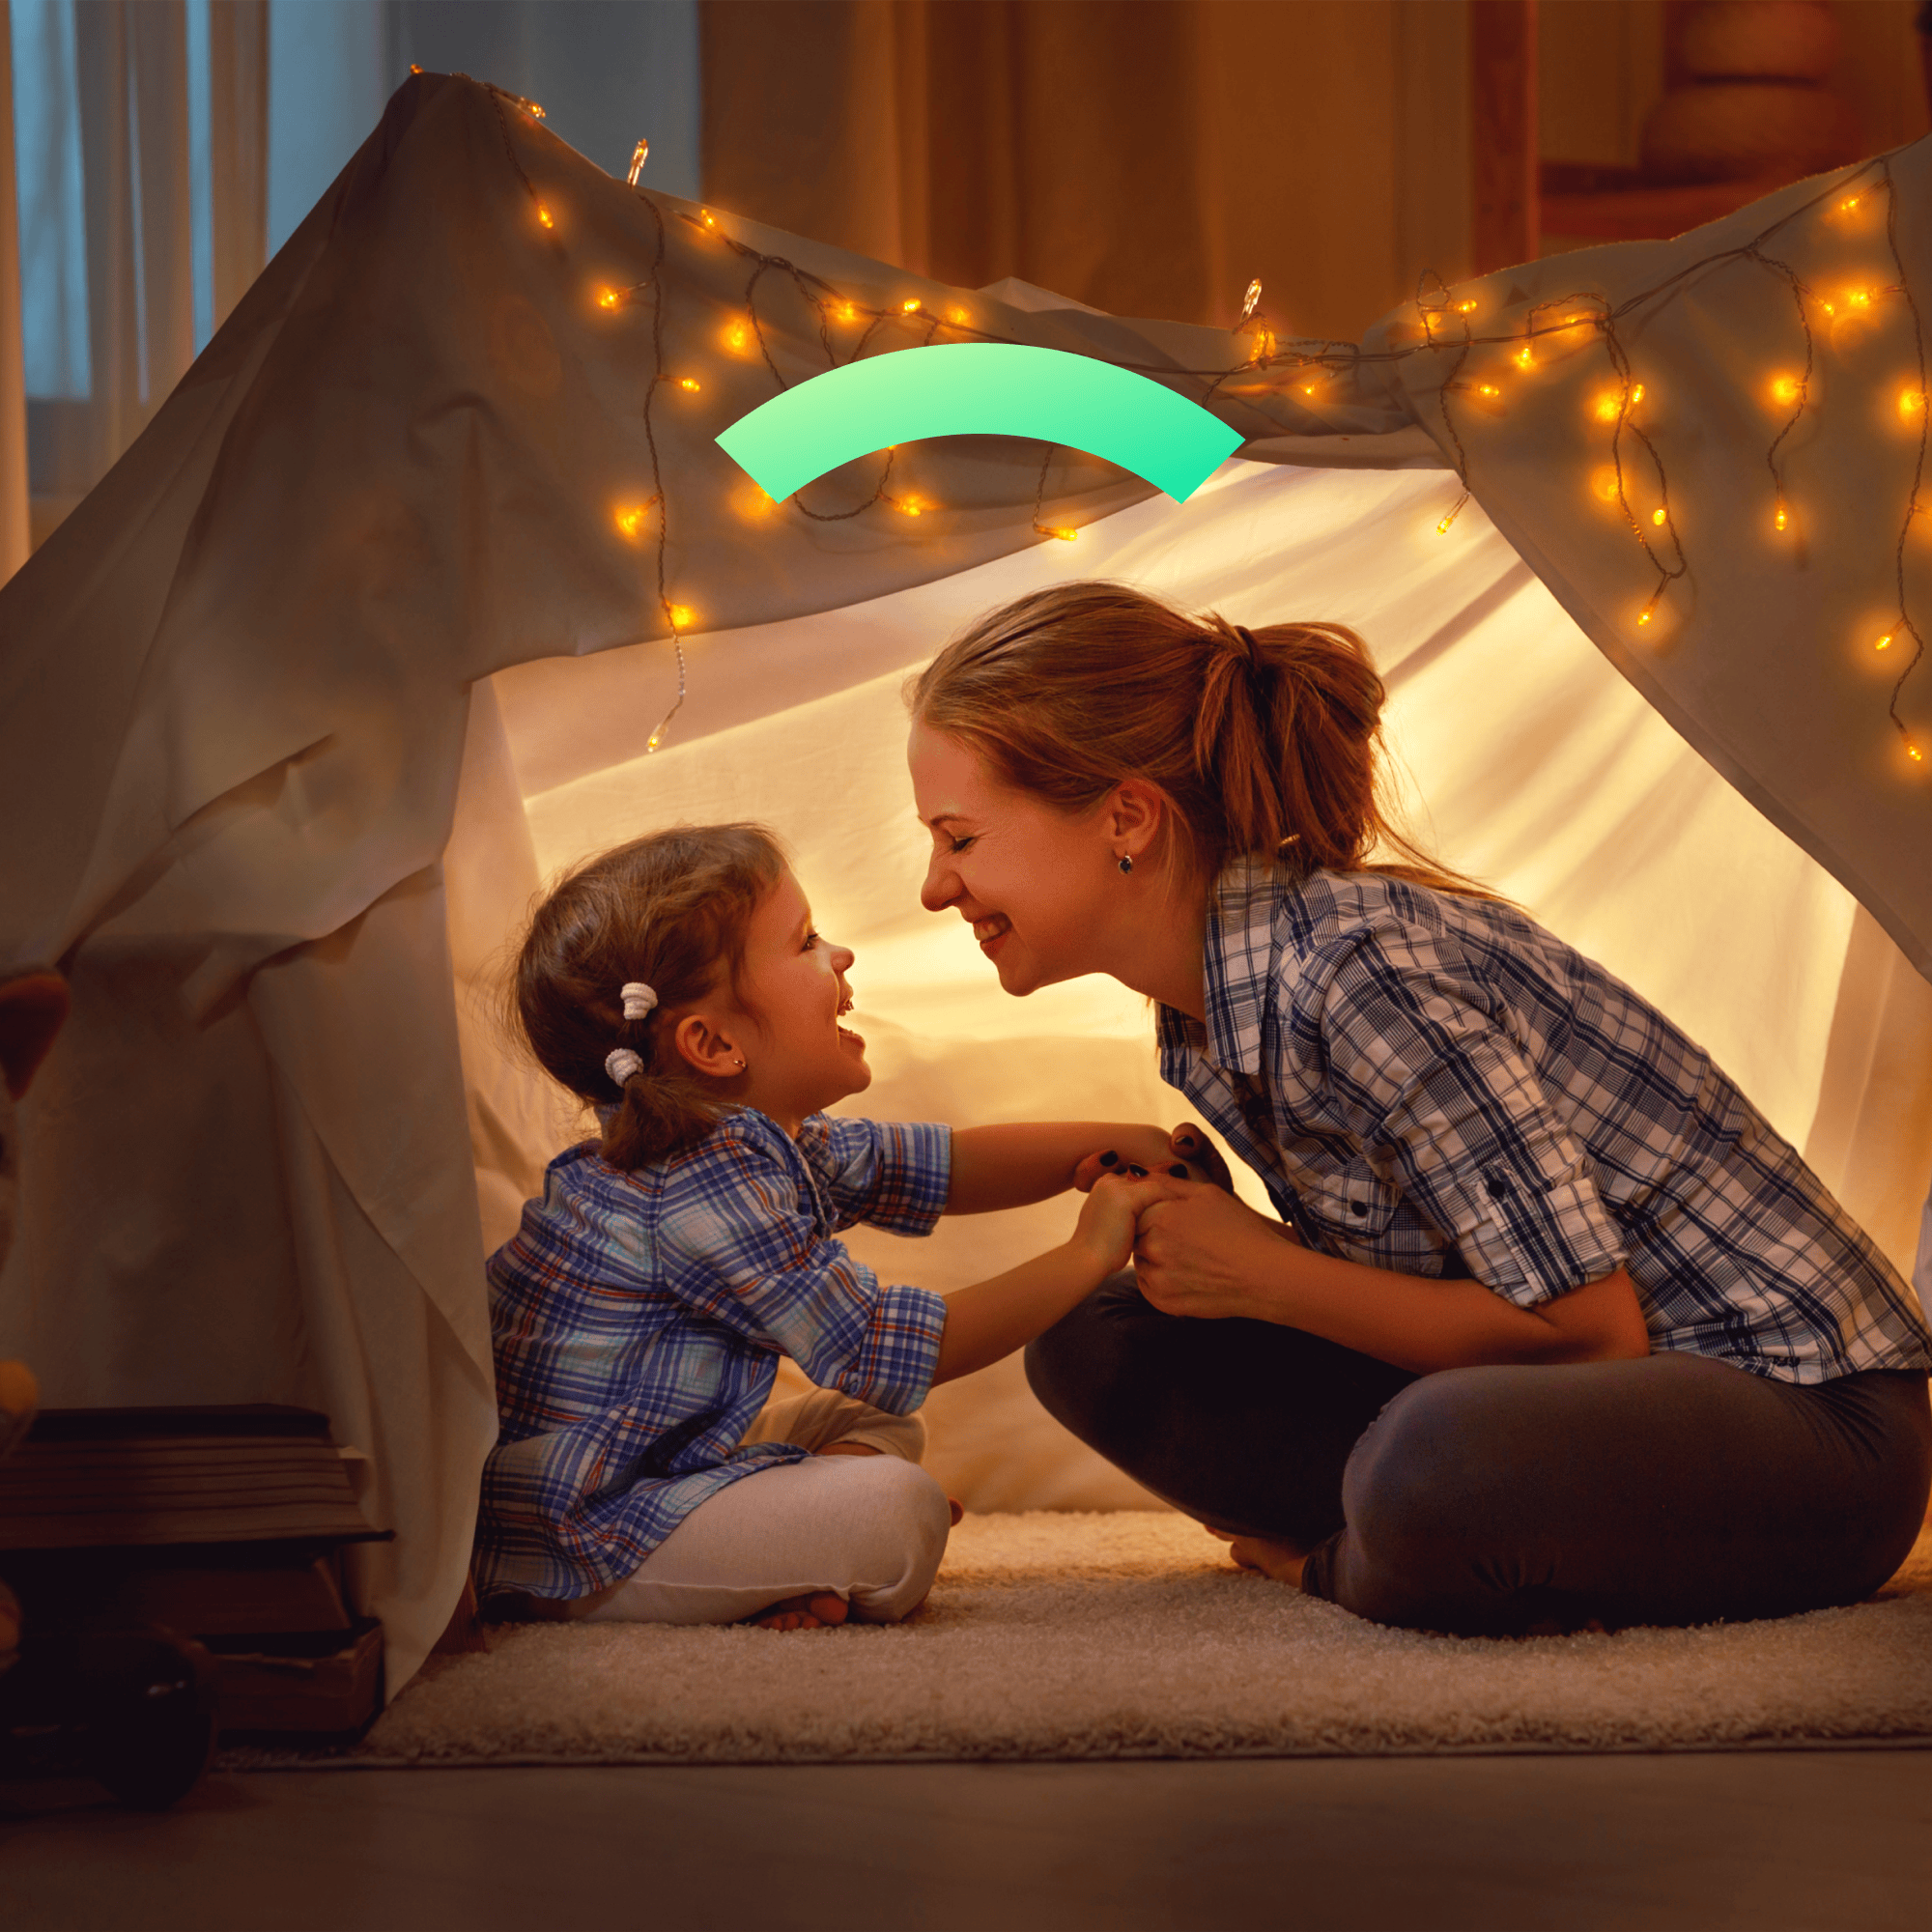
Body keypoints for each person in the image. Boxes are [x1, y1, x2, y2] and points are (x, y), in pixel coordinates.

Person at [906, 581, 1932, 1637]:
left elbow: (1587, 1336)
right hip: (1572, 1408)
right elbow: (1436, 1281)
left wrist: (1266, 1273)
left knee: (1435, 1456)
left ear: (1125, 817)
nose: (935, 888)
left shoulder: (1357, 973)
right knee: (1093, 1335)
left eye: (959, 838)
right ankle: (1421, 1540)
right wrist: (1230, 1256)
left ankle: (1354, 1563)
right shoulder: (1206, 1010)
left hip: (1806, 1426)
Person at [474, 822, 1190, 1632]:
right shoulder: (693, 1186)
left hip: (655, 1461)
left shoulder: (748, 1143)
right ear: (712, 1044)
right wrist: (1092, 1252)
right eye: (806, 940)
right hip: (581, 1525)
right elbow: (881, 1347)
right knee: (899, 1512)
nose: (840, 955)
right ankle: (616, 1586)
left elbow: (934, 1166)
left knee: (869, 1425)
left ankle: (786, 1557)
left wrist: (1098, 1146)